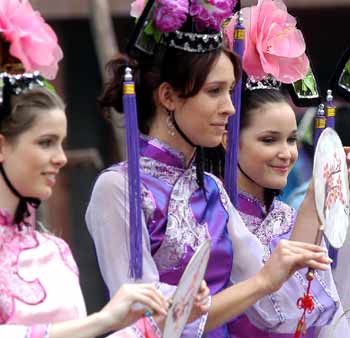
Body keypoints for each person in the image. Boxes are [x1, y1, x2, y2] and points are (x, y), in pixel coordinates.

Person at [86, 0, 334, 337]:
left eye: (230, 91)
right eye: (215, 91)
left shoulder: (212, 190)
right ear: (168, 97)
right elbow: (142, 320)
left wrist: (320, 189)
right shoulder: (118, 188)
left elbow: (277, 302)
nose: (230, 108)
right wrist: (262, 282)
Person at [0, 1, 170, 337]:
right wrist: (103, 319)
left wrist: (153, 322)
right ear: (2, 145)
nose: (62, 158)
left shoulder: (55, 250)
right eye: (46, 142)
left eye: (62, 143)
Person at [219, 88, 350, 337]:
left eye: (291, 139)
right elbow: (276, 311)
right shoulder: (217, 216)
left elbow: (323, 323)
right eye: (269, 140)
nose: (286, 153)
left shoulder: (288, 215)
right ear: (229, 140)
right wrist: (314, 201)